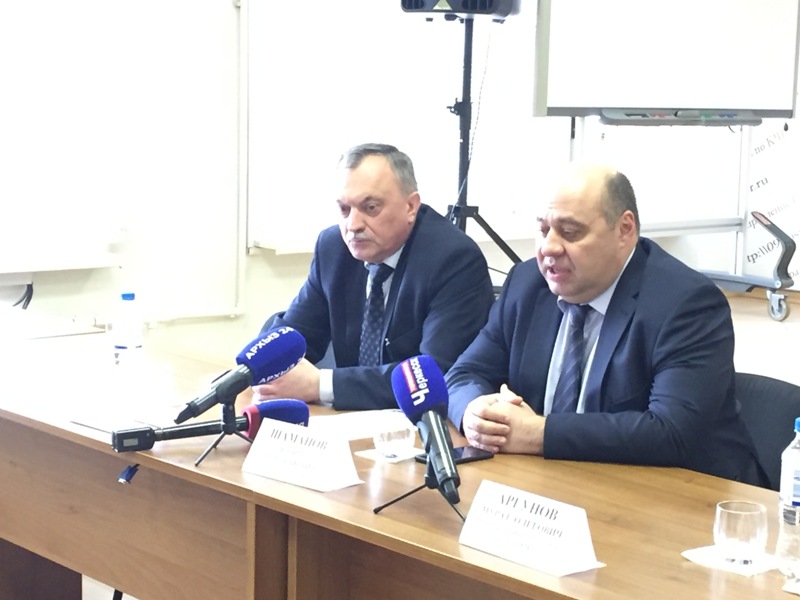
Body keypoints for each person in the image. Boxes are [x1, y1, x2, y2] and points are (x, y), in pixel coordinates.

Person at [445, 162, 765, 486]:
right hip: (559, 485)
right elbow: (463, 374)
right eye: (543, 231)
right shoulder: (527, 284)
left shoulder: (686, 303)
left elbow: (671, 431)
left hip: (683, 496)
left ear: (624, 230)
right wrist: (473, 413)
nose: (549, 247)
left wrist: (538, 433)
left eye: (570, 232)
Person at [253, 143, 495, 410]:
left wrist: (320, 384)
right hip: (348, 421)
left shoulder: (453, 259)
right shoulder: (334, 248)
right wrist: (259, 371)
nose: (353, 225)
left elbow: (437, 374)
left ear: (410, 206)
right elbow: (297, 334)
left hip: (420, 424)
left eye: (370, 208)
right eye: (344, 209)